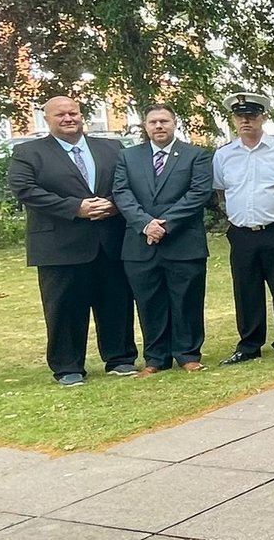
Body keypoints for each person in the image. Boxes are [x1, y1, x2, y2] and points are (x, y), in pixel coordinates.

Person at [8, 96, 137, 385]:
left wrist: (114, 204)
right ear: (47, 120)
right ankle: (68, 366)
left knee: (116, 301)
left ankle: (120, 358)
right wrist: (75, 208)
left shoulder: (111, 148)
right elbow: (24, 189)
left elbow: (130, 183)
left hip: (110, 241)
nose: (68, 118)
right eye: (60, 115)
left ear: (81, 116)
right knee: (64, 307)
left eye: (73, 113)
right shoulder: (29, 152)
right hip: (60, 246)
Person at [211, 92, 274, 365]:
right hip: (242, 233)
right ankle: (249, 345)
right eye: (240, 116)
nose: (246, 121)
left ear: (263, 117)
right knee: (246, 290)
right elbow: (220, 191)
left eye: (252, 116)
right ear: (233, 120)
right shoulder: (223, 155)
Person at [111, 104, 214, 375]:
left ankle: (188, 354)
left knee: (187, 301)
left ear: (174, 123)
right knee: (149, 303)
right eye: (153, 122)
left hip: (183, 242)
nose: (159, 126)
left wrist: (164, 225)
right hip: (140, 244)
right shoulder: (128, 157)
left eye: (164, 121)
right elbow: (121, 193)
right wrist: (145, 224)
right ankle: (155, 359)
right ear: (145, 126)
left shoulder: (195, 156)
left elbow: (199, 193)